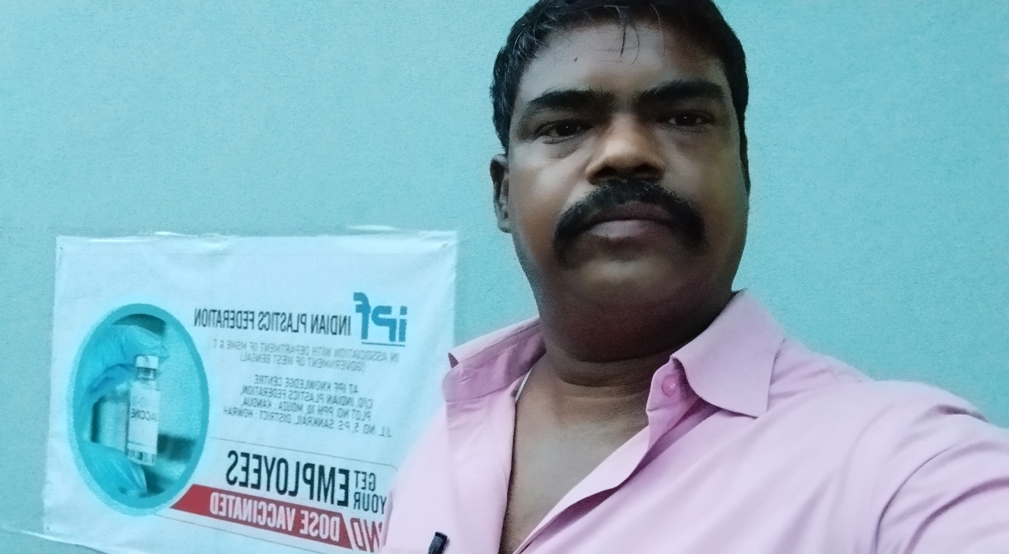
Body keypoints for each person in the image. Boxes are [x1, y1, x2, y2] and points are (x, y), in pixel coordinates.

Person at [379, 1, 1009, 553]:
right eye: (564, 127)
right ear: (503, 194)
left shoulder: (897, 467)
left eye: (683, 117)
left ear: (744, 173)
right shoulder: (450, 433)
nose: (625, 152)